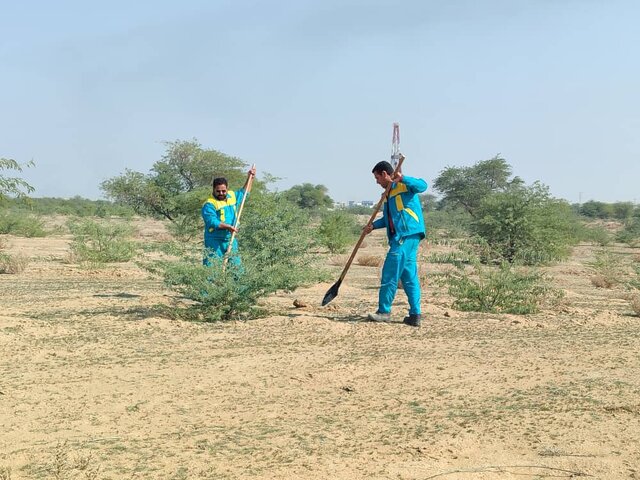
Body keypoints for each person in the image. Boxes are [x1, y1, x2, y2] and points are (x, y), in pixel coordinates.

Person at [363, 160, 427, 327]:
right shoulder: (388, 194)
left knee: (390, 273)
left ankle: (384, 311)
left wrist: (403, 178)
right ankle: (415, 315)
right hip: (406, 237)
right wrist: (373, 226)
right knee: (408, 276)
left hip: (405, 235)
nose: (377, 182)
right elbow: (388, 218)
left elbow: (423, 185)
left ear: (385, 174)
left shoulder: (404, 186)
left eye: (377, 178)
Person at [201, 166, 256, 267]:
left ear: (227, 189)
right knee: (212, 268)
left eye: (223, 191)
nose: (221, 193)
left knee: (236, 268)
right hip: (214, 240)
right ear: (213, 189)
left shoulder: (232, 196)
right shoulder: (209, 204)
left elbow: (244, 193)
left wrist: (250, 178)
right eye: (218, 191)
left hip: (230, 238)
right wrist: (228, 227)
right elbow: (212, 221)